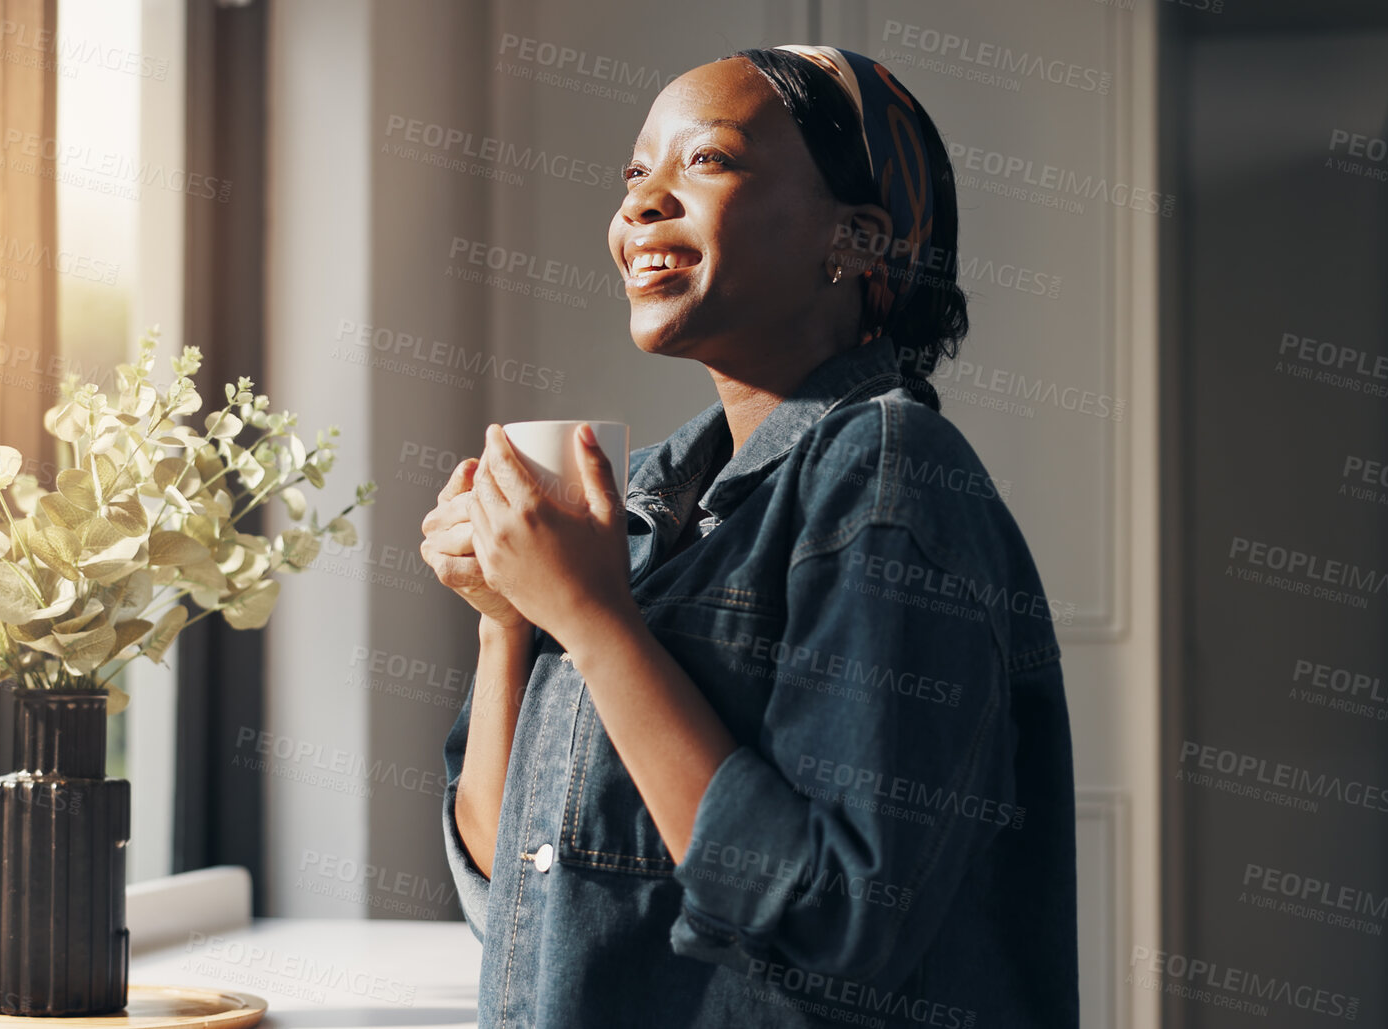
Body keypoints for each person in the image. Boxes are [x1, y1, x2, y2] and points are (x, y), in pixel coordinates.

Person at [419, 44, 1077, 1028]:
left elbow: (841, 924)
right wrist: (507, 619)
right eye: (634, 174)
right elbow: (508, 888)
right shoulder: (639, 506)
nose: (642, 203)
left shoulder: (891, 474)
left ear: (854, 240)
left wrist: (596, 623)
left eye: (708, 161)